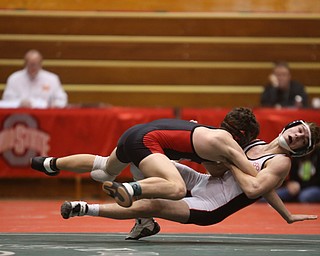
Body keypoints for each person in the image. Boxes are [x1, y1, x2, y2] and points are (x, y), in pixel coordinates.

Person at [59, 119, 319, 239]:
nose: (297, 136)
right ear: (289, 126)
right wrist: (285, 214)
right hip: (203, 181)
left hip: (212, 205)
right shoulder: (256, 145)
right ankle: (142, 219)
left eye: (302, 140)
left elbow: (254, 188)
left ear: (301, 150)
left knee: (156, 204)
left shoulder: (282, 162)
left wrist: (230, 160)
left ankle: (86, 209)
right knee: (152, 158)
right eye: (299, 131)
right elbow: (266, 187)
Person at [31, 107, 261, 208]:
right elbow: (253, 173)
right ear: (242, 136)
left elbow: (215, 171)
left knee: (102, 169)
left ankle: (51, 163)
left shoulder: (208, 133)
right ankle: (129, 189)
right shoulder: (228, 143)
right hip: (148, 143)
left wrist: (226, 165)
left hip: (135, 133)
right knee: (177, 188)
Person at [1, 49, 68, 108]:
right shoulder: (14, 78)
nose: (33, 67)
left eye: (36, 64)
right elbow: (7, 100)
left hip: (45, 115)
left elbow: (62, 100)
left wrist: (53, 104)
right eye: (31, 64)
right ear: (25, 64)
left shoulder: (52, 79)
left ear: (41, 64)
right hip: (20, 115)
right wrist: (19, 103)